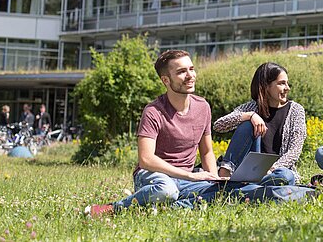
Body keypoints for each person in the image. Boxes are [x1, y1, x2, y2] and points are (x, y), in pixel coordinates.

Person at [85, 50, 223, 217]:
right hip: (154, 176)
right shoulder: (153, 111)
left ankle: (164, 207)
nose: (190, 75)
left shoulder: (203, 107)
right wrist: (190, 175)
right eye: (181, 71)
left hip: (186, 180)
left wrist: (214, 179)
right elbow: (146, 159)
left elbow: (206, 151)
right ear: (165, 80)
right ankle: (113, 208)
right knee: (167, 190)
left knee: (226, 191)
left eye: (191, 69)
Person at [214, 62, 306, 185]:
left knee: (285, 176)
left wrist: (270, 169)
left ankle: (247, 185)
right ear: (266, 86)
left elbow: (294, 151)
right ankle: (226, 174)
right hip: (250, 169)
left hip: (277, 171)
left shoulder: (296, 110)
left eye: (287, 83)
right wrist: (250, 115)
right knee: (247, 124)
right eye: (281, 83)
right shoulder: (251, 107)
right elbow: (219, 125)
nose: (287, 88)